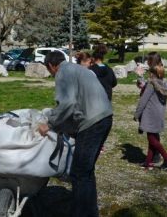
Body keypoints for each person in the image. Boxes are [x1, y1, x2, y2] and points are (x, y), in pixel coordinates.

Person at [38, 51, 113, 217]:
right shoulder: (78, 69)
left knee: (78, 173)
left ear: (51, 66)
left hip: (92, 122)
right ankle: (89, 211)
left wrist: (49, 124)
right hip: (105, 117)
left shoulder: (62, 72)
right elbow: (77, 102)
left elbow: (67, 104)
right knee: (86, 171)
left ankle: (81, 213)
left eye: (48, 70)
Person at [134, 55, 167, 171]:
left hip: (150, 114)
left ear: (152, 73)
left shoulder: (151, 84)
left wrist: (137, 114)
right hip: (159, 113)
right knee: (153, 139)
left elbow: (143, 100)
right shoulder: (165, 83)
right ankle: (148, 162)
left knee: (152, 139)